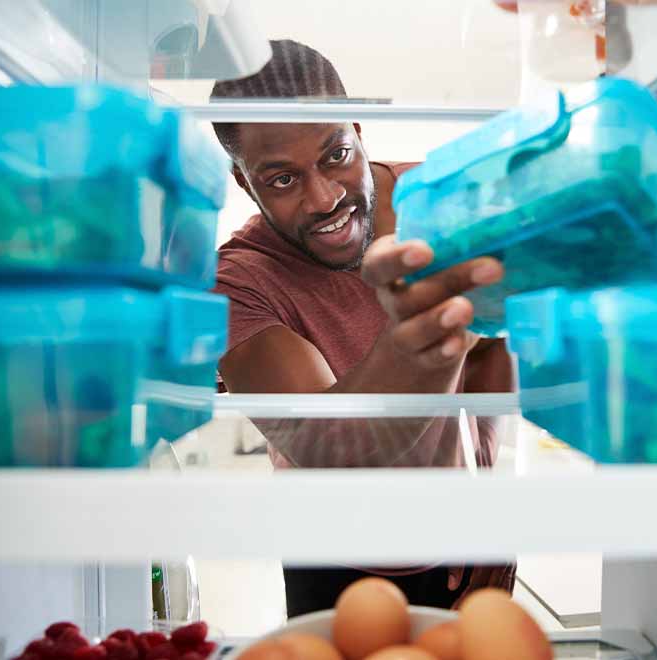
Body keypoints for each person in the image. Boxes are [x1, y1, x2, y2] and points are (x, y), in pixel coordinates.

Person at [210, 39, 515, 617]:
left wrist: (486, 505)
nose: (324, 198)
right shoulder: (238, 283)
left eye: (334, 156)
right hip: (332, 561)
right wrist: (415, 342)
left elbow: (488, 357)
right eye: (281, 180)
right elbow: (331, 450)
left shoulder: (438, 200)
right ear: (245, 183)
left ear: (356, 128)